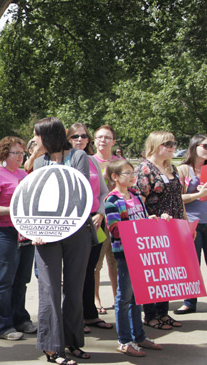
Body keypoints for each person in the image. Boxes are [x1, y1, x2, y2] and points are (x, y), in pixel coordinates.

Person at [32, 117, 91, 365]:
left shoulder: (78, 157)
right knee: (49, 289)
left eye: (36, 136)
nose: (34, 140)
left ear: (48, 136)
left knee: (74, 289)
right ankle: (52, 348)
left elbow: (76, 190)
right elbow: (35, 196)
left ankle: (72, 341)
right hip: (46, 234)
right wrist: (33, 227)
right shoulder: (38, 162)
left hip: (76, 231)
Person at [104, 159, 164, 357]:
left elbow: (142, 219)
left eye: (133, 173)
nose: (132, 177)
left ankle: (138, 336)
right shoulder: (112, 200)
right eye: (127, 173)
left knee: (138, 296)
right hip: (125, 252)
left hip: (140, 251)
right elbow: (115, 229)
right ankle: (124, 340)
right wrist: (140, 226)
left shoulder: (136, 197)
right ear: (115, 177)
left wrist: (150, 221)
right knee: (124, 297)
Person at [0, 136, 36, 342]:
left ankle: (20, 318)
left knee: (22, 279)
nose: (21, 157)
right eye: (16, 153)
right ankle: (2, 325)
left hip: (25, 232)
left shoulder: (24, 174)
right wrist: (12, 210)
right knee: (5, 280)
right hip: (3, 232)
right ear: (4, 154)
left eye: (23, 153)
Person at [66, 124, 113, 337]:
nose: (79, 139)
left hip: (95, 221)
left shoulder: (92, 161)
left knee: (90, 268)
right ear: (67, 138)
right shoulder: (64, 161)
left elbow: (103, 193)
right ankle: (76, 317)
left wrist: (101, 213)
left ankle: (90, 314)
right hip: (74, 223)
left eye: (83, 136)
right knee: (76, 271)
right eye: (75, 136)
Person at [135, 131, 184, 330]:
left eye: (174, 143)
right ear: (155, 145)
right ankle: (150, 314)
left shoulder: (172, 168)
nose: (172, 146)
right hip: (155, 228)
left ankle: (163, 313)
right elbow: (139, 200)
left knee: (168, 273)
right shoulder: (145, 168)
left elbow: (179, 199)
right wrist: (148, 220)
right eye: (167, 143)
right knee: (154, 273)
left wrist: (186, 225)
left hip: (174, 226)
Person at [175, 134, 207, 314]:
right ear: (195, 146)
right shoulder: (183, 170)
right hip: (191, 222)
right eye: (206, 146)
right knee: (191, 264)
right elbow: (177, 199)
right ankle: (189, 302)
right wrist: (198, 193)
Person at [92, 125, 119, 314]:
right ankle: (95, 298)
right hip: (98, 220)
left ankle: (119, 297)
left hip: (118, 217)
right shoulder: (88, 161)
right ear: (94, 140)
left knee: (116, 261)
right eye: (100, 137)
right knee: (96, 262)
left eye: (107, 137)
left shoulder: (121, 162)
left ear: (114, 141)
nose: (103, 140)